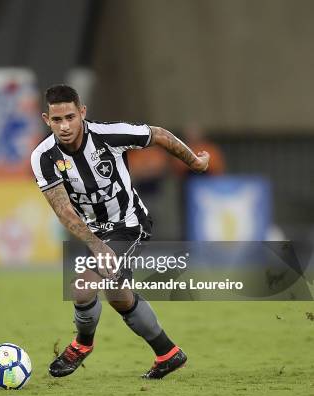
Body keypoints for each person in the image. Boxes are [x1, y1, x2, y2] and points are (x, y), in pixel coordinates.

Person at [30, 84, 209, 379]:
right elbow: (63, 210)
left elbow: (160, 135)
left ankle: (82, 344)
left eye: (70, 117)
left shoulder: (108, 135)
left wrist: (196, 162)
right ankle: (168, 353)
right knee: (117, 295)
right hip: (96, 234)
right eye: (57, 120)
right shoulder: (43, 157)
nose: (64, 126)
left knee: (82, 287)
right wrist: (97, 245)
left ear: (83, 113)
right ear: (46, 120)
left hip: (130, 224)